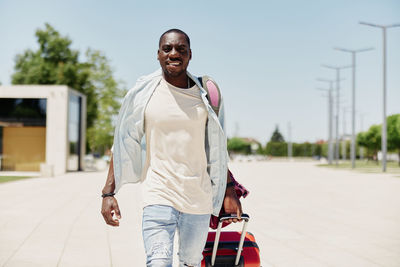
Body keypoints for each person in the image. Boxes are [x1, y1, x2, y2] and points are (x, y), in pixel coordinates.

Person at [101, 28, 242, 267]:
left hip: (197, 197)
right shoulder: (144, 92)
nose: (174, 54)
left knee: (190, 263)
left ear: (189, 55)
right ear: (158, 54)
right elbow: (124, 141)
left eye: (181, 49)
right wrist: (108, 193)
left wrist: (229, 190)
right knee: (158, 261)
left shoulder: (205, 94)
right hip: (158, 193)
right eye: (167, 49)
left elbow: (217, 147)